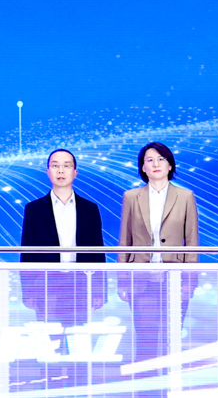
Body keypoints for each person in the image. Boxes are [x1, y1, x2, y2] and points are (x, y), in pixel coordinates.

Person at [118, 142, 200, 371]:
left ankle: (170, 382)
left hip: (175, 278)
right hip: (141, 279)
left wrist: (190, 282)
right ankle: (147, 383)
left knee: (172, 336)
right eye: (150, 160)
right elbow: (124, 240)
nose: (155, 164)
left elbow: (192, 241)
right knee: (145, 336)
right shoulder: (131, 196)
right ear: (143, 167)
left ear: (170, 165)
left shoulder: (185, 196)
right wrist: (122, 280)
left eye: (161, 159)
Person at [19, 148, 107, 324]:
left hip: (80, 285)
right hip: (46, 286)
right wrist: (28, 291)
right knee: (49, 336)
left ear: (75, 172)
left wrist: (99, 291)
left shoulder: (89, 209)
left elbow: (97, 252)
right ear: (47, 172)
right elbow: (27, 253)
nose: (61, 171)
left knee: (78, 336)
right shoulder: (34, 209)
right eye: (55, 166)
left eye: (66, 166)